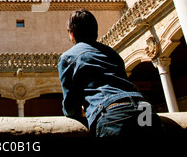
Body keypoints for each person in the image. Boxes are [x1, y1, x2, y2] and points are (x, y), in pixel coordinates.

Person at [58, 9, 164, 137]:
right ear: (95, 32)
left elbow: (70, 107)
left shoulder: (67, 57)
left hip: (113, 113)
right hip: (144, 108)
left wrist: (83, 110)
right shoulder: (112, 53)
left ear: (72, 33)